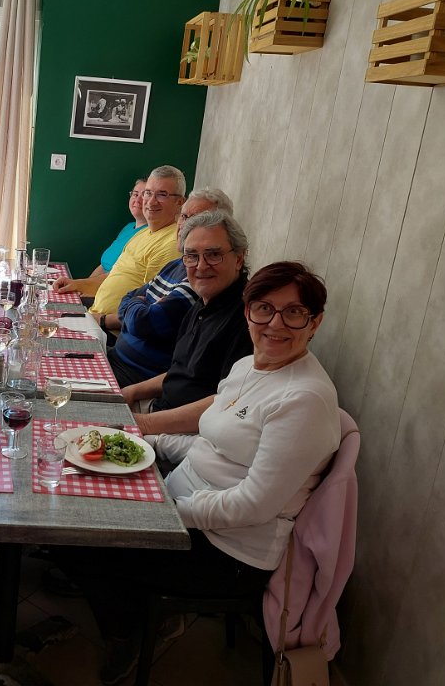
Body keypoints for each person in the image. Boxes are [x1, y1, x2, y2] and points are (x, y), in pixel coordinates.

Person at [62, 261, 340, 685]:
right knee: (76, 495)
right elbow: (212, 443)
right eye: (264, 308)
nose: (276, 323)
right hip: (181, 507)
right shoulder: (250, 366)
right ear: (248, 312)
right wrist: (143, 440)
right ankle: (124, 596)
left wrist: (166, 514)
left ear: (315, 322)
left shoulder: (305, 400)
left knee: (79, 538)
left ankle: (129, 631)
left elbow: (253, 505)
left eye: (294, 312)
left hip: (227, 552)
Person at [122, 209, 253, 440]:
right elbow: (180, 373)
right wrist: (131, 392)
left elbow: (228, 402)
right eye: (191, 256)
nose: (201, 266)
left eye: (213, 254)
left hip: (186, 435)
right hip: (157, 411)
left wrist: (143, 423)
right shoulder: (203, 302)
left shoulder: (248, 319)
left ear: (239, 258)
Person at [106, 188, 234, 387]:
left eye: (197, 219)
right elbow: (128, 298)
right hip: (116, 357)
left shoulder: (199, 277)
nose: (184, 225)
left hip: (135, 375)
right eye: (184, 216)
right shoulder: (177, 264)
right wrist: (135, 305)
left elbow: (143, 323)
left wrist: (135, 305)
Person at [53, 165, 186, 318]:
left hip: (113, 328)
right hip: (95, 314)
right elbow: (113, 275)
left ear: (179, 202)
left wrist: (103, 321)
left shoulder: (171, 244)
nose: (151, 201)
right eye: (148, 193)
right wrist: (77, 284)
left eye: (162, 195)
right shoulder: (142, 234)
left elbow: (151, 309)